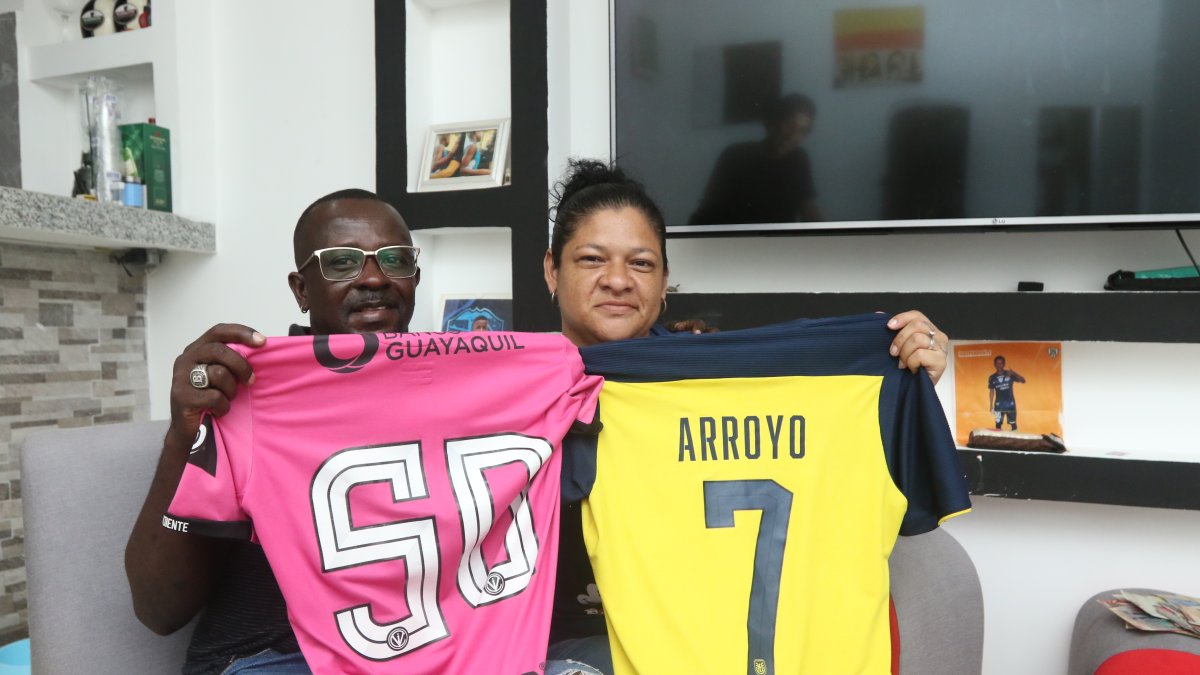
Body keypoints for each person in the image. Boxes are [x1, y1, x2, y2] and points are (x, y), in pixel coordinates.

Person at [124, 189, 600, 675]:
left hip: (441, 651)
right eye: (341, 262)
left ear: (414, 277)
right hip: (273, 656)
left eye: (394, 259)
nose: (373, 277)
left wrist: (675, 356)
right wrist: (183, 436)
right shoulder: (248, 393)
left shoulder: (474, 383)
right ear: (301, 289)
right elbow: (158, 609)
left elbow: (599, 386)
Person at [542, 159, 949, 672]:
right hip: (573, 643)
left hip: (720, 638)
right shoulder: (507, 388)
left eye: (642, 263)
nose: (618, 280)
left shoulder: (716, 378)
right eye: (593, 259)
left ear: (666, 281)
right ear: (552, 270)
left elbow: (837, 476)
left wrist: (903, 391)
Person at [689, 94, 822, 226]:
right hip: (733, 240)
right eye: (790, 125)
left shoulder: (798, 158)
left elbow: (808, 207)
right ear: (772, 123)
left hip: (778, 242)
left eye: (803, 131)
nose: (793, 136)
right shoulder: (735, 155)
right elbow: (707, 208)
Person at [989, 355, 1025, 430]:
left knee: (1013, 425)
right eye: (997, 363)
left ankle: (1015, 440)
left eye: (1001, 363)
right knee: (998, 425)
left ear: (1004, 364)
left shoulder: (1009, 374)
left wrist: (1013, 373)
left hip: (1010, 404)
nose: (999, 365)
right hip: (999, 405)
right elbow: (991, 391)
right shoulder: (992, 377)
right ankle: (998, 440)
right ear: (994, 365)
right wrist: (991, 405)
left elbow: (1023, 381)